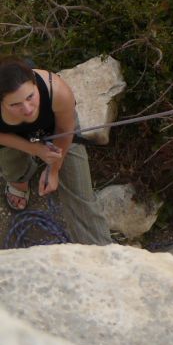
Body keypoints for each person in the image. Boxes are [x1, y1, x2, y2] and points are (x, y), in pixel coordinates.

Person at [0, 56, 112, 244]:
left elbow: (64, 131)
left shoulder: (58, 91)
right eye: (15, 104)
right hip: (10, 136)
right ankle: (20, 181)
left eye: (30, 97)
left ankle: (99, 253)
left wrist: (54, 170)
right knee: (13, 168)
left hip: (56, 132)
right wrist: (35, 149)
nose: (27, 109)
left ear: (35, 84)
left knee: (81, 197)